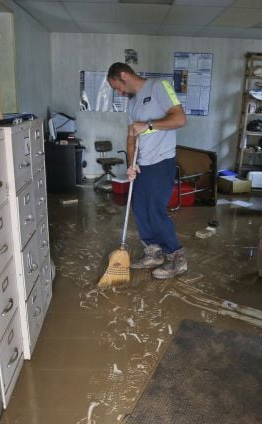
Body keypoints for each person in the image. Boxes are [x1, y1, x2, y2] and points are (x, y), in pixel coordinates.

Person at [106, 62, 188, 279]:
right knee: (140, 209)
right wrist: (131, 163)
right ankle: (154, 252)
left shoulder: (160, 86)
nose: (119, 92)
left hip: (161, 162)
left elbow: (180, 118)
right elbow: (131, 135)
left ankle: (176, 258)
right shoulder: (132, 104)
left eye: (117, 87)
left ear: (124, 75)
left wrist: (149, 125)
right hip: (143, 164)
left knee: (155, 212)